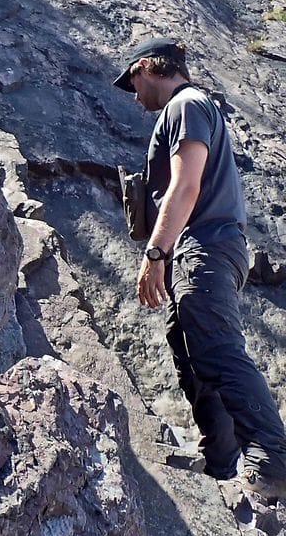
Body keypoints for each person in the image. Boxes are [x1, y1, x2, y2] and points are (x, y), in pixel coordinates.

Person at [113, 37, 286, 498]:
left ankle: (272, 461)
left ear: (147, 67)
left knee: (218, 351)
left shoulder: (185, 104)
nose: (134, 95)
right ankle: (221, 463)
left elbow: (186, 185)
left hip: (204, 246)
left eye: (132, 81)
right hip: (205, 248)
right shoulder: (192, 107)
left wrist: (155, 254)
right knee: (193, 355)